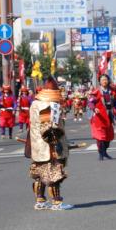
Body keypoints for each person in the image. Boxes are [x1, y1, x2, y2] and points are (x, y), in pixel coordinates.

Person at [28, 76, 72, 210]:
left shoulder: (34, 103)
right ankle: (56, 202)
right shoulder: (51, 105)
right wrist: (56, 143)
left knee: (39, 173)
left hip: (37, 144)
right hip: (50, 146)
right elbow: (50, 128)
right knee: (53, 173)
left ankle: (40, 201)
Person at [88, 86, 115, 161]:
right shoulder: (97, 92)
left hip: (108, 116)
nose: (104, 81)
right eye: (103, 80)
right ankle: (101, 153)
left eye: (106, 79)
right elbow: (90, 102)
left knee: (109, 136)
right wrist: (94, 108)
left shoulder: (111, 91)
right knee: (100, 137)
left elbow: (115, 102)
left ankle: (105, 152)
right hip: (99, 117)